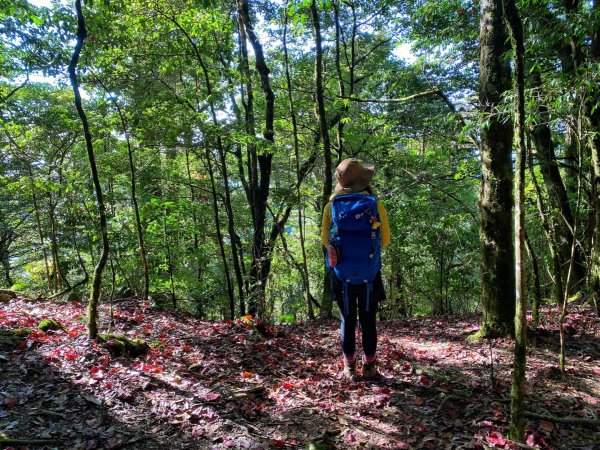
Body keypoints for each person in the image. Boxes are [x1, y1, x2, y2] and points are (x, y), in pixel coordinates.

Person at [321, 158, 390, 381]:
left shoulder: (331, 206)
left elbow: (325, 241)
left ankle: (349, 368)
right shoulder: (374, 204)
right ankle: (369, 367)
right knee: (369, 320)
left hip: (342, 276)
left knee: (347, 320)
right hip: (370, 274)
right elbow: (385, 239)